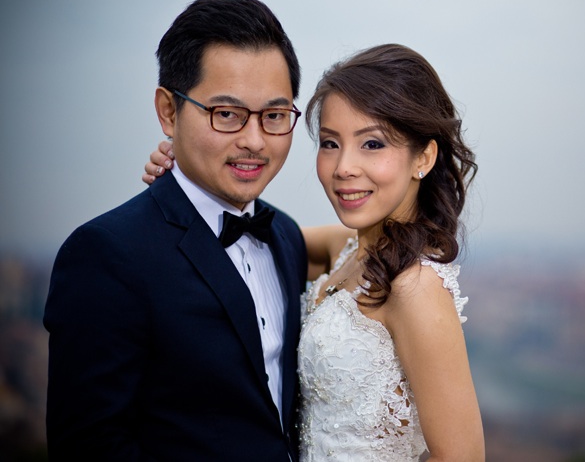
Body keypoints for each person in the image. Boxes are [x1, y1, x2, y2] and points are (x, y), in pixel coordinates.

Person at [146, 43, 485, 460]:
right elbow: (245, 243)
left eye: (372, 144)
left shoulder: (415, 288)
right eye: (329, 143)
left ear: (424, 157)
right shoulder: (344, 250)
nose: (343, 167)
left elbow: (462, 456)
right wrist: (188, 176)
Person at [44, 0, 307, 461]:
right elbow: (90, 446)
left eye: (274, 116)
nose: (254, 140)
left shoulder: (286, 237)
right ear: (169, 111)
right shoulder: (106, 254)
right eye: (225, 114)